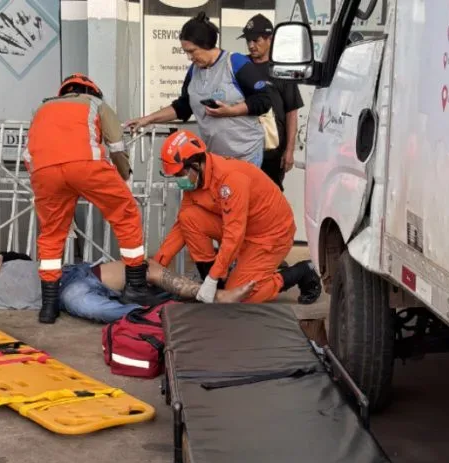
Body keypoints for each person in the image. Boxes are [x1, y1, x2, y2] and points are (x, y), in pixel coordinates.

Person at [24, 73, 158, 325]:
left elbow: (28, 154)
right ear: (93, 91)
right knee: (125, 214)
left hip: (44, 172)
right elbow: (116, 145)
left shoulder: (42, 109)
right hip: (86, 166)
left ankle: (48, 306)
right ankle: (136, 287)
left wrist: (42, 184)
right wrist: (124, 176)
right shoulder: (95, 104)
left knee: (51, 234)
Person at [155, 129, 321, 304]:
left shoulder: (231, 179)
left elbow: (234, 234)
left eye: (179, 174)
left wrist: (213, 276)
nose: (178, 180)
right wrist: (157, 264)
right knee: (189, 218)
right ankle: (217, 284)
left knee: (240, 297)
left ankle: (302, 271)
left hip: (271, 236)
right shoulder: (197, 181)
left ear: (196, 164)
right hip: (242, 229)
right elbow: (182, 224)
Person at [124, 12, 273, 167]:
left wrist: (231, 111)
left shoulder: (234, 62)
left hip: (246, 154)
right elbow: (183, 107)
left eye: (192, 51)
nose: (189, 57)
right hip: (215, 156)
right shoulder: (193, 71)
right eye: (186, 52)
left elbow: (264, 99)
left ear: (206, 45)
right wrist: (147, 119)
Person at [0, 251, 254, 323]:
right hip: (63, 297)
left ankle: (215, 294)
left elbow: (21, 256)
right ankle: (172, 313)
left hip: (74, 273)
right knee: (91, 306)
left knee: (143, 268)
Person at [241, 13, 304, 189]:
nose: (251, 45)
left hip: (273, 153)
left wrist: (289, 150)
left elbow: (291, 112)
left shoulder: (281, 69)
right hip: (243, 150)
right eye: (248, 40)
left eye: (256, 40)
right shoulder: (240, 65)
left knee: (271, 198)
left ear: (270, 39)